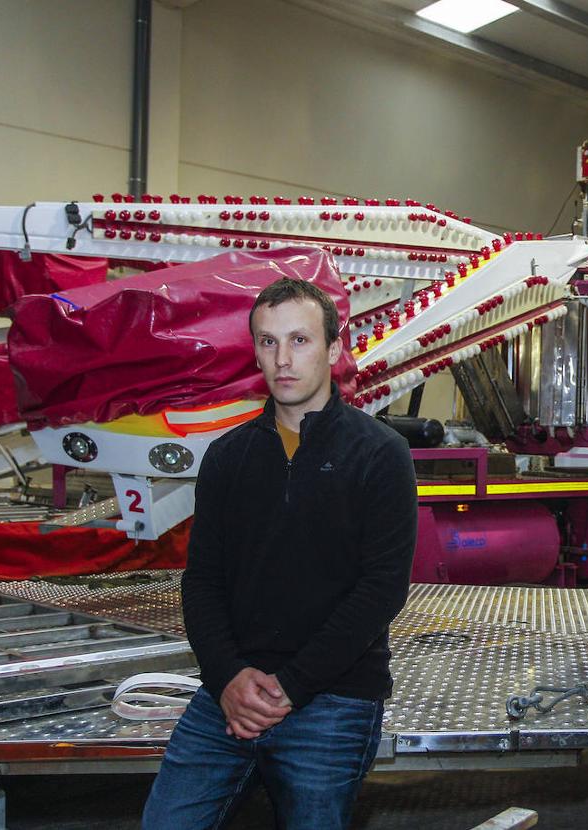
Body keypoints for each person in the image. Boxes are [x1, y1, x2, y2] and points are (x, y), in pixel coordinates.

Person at [143, 277, 418, 829]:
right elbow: (202, 582)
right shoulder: (227, 458)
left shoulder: (380, 455)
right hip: (231, 691)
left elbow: (380, 591)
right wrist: (227, 679)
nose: (283, 359)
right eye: (268, 342)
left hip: (333, 694)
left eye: (299, 340)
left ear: (334, 350)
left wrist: (291, 687)